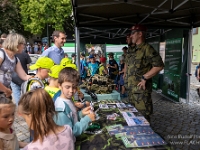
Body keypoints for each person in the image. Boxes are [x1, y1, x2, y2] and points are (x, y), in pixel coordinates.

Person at [124, 24, 164, 121]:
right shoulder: (133, 50)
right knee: (132, 118)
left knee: (142, 119)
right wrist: (125, 75)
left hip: (141, 94)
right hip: (130, 91)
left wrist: (145, 77)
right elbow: (128, 64)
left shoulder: (147, 49)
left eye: (133, 33)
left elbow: (159, 65)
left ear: (140, 34)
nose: (131, 35)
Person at [54, 67, 95, 137]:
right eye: (67, 87)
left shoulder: (68, 99)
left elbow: (71, 118)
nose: (71, 91)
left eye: (74, 87)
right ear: (60, 86)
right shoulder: (60, 109)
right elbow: (70, 132)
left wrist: (81, 114)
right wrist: (87, 120)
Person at [0, 33, 31, 98]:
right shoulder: (1, 54)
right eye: (23, 44)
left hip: (5, 93)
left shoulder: (15, 59)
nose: (23, 46)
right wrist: (5, 90)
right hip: (4, 91)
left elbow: (24, 76)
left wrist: (37, 78)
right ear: (17, 44)